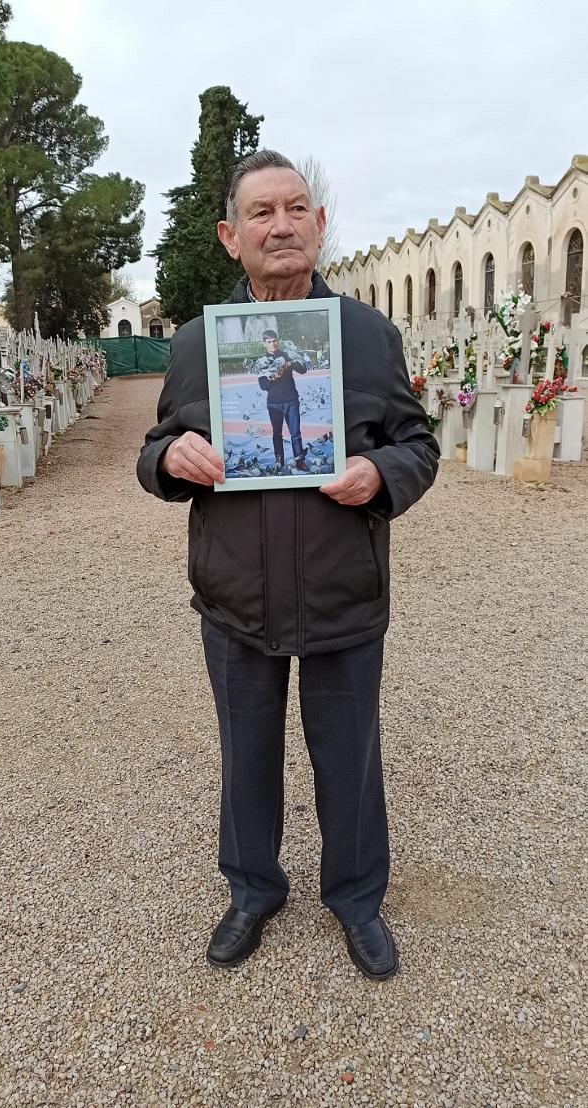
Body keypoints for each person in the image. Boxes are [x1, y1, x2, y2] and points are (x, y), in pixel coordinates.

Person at [136, 150, 439, 980]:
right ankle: (252, 889)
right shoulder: (200, 343)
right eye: (262, 212)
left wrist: (382, 475)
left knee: (350, 753)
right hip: (235, 595)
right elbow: (156, 445)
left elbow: (418, 444)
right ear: (233, 236)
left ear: (319, 225)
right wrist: (172, 459)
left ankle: (355, 898)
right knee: (246, 750)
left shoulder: (370, 337)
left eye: (297, 208)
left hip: (343, 592)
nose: (282, 225)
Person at [255, 329, 307, 469]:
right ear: (264, 344)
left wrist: (290, 364)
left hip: (291, 400)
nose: (273, 344)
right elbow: (263, 385)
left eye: (275, 341)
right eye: (269, 342)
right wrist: (274, 378)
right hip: (274, 403)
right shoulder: (261, 362)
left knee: (295, 433)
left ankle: (299, 459)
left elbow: (303, 370)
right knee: (277, 434)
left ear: (278, 341)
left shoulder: (287, 355)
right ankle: (279, 461)